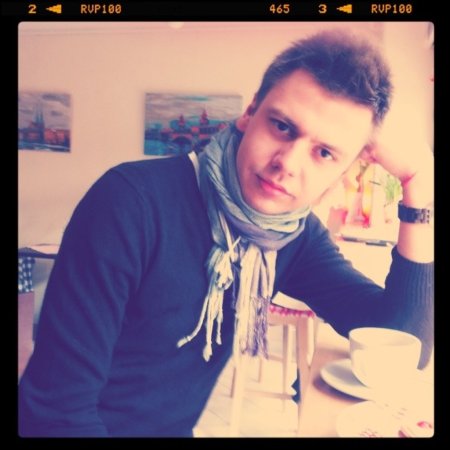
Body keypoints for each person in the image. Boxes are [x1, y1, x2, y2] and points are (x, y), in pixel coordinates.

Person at [19, 30, 434, 437]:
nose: (288, 164)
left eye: (324, 153)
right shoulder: (130, 203)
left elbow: (401, 342)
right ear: (250, 112)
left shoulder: (292, 235)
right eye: (282, 127)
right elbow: (56, 411)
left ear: (344, 169)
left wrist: (419, 181)